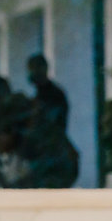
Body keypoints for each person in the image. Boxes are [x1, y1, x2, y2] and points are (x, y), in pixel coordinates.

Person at [22, 54, 79, 188]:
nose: (33, 73)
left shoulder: (53, 95)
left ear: (45, 69)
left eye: (36, 68)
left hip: (54, 157)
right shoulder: (41, 95)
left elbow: (48, 124)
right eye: (31, 69)